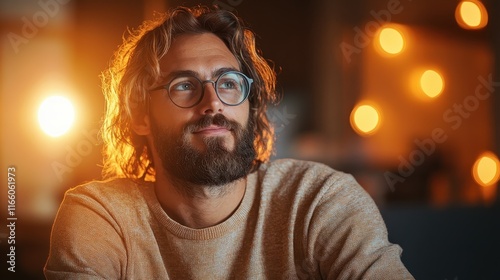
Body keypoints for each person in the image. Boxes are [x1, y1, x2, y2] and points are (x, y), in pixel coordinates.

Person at [44, 5, 413, 279]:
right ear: (140, 115)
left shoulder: (320, 199)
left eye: (229, 83)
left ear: (249, 107)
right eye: (184, 86)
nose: (214, 103)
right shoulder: (103, 217)